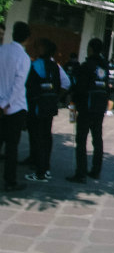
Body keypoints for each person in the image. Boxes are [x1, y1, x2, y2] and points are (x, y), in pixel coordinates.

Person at [68, 38, 113, 183]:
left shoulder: (86, 66)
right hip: (100, 107)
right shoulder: (104, 67)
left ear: (90, 49)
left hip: (86, 107)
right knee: (97, 139)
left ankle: (80, 173)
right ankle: (96, 170)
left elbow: (79, 89)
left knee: (81, 140)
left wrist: (72, 109)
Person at [25, 38, 70, 182]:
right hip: (49, 106)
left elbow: (29, 87)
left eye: (39, 47)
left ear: (44, 49)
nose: (36, 49)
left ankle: (40, 172)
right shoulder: (54, 66)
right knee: (46, 137)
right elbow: (58, 86)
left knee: (38, 137)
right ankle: (46, 168)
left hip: (38, 106)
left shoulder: (37, 65)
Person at [0, 22, 31, 192]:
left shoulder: (1, 50)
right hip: (14, 107)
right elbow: (18, 85)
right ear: (27, 38)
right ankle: (10, 181)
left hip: (1, 104)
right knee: (12, 147)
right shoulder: (24, 57)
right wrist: (5, 103)